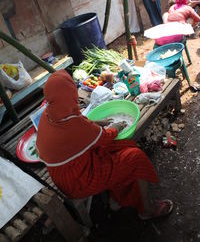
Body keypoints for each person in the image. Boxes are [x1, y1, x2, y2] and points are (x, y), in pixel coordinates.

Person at [36, 69, 173, 219]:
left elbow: (77, 120)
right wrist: (117, 126)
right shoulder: (71, 125)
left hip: (68, 169)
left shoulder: (50, 113)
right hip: (77, 181)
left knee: (121, 147)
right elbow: (106, 136)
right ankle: (146, 210)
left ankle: (118, 198)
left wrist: (99, 123)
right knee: (135, 157)